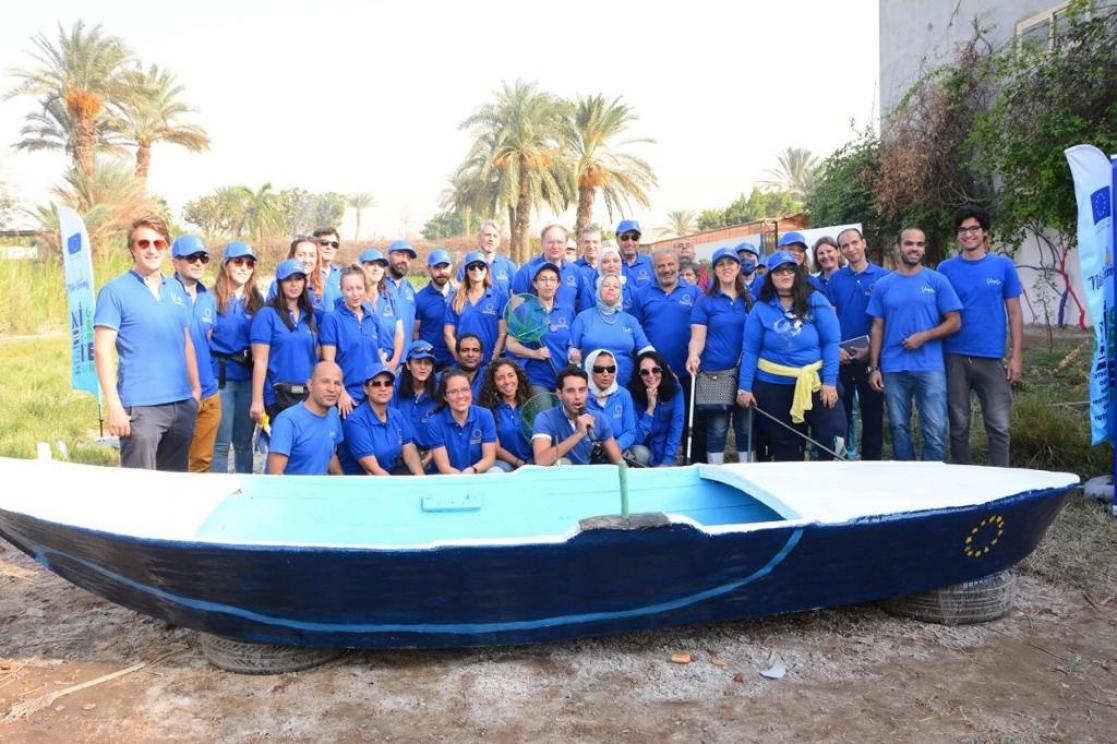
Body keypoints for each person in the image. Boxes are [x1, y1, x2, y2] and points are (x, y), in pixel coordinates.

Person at [93, 215, 200, 471]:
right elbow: (102, 350)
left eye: (158, 243)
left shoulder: (175, 289)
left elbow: (186, 342)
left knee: (174, 489)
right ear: (132, 248)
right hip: (142, 409)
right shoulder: (115, 291)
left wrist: (194, 392)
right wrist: (114, 405)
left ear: (166, 247)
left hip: (181, 403)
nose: (151, 249)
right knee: (139, 492)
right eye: (143, 243)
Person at [736, 251, 846, 461]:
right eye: (778, 271)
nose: (784, 275)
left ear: (797, 273)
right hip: (774, 386)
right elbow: (750, 350)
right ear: (770, 277)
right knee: (785, 445)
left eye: (789, 270)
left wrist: (830, 382)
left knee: (833, 436)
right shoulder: (760, 308)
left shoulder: (815, 300)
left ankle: (827, 483)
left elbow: (831, 341)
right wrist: (744, 388)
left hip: (816, 382)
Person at [867, 227, 963, 462]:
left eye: (920, 244)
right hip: (893, 367)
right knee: (899, 428)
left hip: (930, 366)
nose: (915, 248)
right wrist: (874, 367)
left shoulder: (937, 281)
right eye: (909, 244)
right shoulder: (883, 285)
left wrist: (925, 336)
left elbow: (955, 322)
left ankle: (932, 480)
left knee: (935, 429)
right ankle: (906, 481)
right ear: (898, 247)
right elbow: (877, 327)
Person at [938, 204, 1023, 467]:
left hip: (991, 357)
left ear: (984, 232)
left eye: (973, 228)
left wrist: (1016, 356)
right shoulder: (945, 269)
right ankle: (964, 483)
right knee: (959, 426)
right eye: (962, 230)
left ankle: (1001, 482)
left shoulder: (1003, 267)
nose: (968, 234)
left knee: (998, 426)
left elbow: (1015, 314)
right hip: (954, 356)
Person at [826, 227, 889, 461]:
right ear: (841, 251)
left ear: (864, 243)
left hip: (872, 359)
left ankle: (872, 465)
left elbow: (887, 320)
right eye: (845, 245)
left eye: (854, 243)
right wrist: (835, 349)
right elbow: (829, 318)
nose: (851, 248)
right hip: (841, 358)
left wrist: (872, 351)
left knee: (872, 416)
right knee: (841, 418)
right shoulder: (835, 279)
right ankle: (843, 463)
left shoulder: (883, 277)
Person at [687, 246, 754, 464]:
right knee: (717, 428)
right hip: (716, 373)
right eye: (721, 264)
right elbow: (698, 337)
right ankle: (715, 473)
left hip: (746, 373)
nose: (726, 268)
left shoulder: (750, 299)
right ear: (715, 270)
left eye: (731, 263)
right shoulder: (705, 300)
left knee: (746, 427)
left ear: (738, 267)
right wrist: (693, 355)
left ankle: (749, 472)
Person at [166, 235, 220, 473]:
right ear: (176, 262)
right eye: (192, 258)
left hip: (209, 391)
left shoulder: (208, 298)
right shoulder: (165, 293)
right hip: (177, 393)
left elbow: (207, 339)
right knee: (173, 462)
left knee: (202, 462)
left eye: (203, 258)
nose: (198, 263)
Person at [210, 240, 264, 474]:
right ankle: (218, 492)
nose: (244, 267)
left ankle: (245, 490)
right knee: (220, 444)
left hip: (249, 379)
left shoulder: (257, 301)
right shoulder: (211, 298)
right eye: (238, 262)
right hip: (221, 378)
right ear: (226, 265)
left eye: (249, 263)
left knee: (243, 443)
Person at [250, 258, 319, 424]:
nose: (294, 284)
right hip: (278, 396)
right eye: (288, 279)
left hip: (307, 395)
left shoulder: (310, 316)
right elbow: (260, 360)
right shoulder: (267, 315)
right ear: (279, 283)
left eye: (298, 278)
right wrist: (257, 400)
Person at [569, 273, 654, 387]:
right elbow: (572, 349)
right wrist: (573, 357)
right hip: (590, 388)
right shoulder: (583, 318)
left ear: (620, 293)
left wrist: (659, 366)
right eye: (606, 285)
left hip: (626, 387)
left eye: (616, 286)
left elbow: (645, 349)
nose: (611, 288)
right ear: (598, 290)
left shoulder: (630, 320)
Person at [338, 367, 425, 476]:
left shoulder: (396, 415)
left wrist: (421, 481)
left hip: (389, 474)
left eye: (387, 383)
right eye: (376, 384)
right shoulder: (355, 422)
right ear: (365, 389)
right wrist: (400, 490)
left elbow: (409, 451)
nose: (383, 388)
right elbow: (372, 470)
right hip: (362, 482)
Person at [505, 262, 576, 393]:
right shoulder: (525, 311)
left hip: (563, 380)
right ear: (535, 283)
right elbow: (511, 344)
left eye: (552, 279)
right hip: (537, 380)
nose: (548, 284)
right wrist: (534, 353)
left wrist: (574, 355)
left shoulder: (567, 310)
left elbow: (573, 343)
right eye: (543, 279)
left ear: (558, 284)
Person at [320, 265, 382, 416]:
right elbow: (329, 363)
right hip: (348, 397)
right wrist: (341, 392)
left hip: (373, 395)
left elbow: (378, 356)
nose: (355, 294)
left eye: (359, 288)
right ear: (342, 290)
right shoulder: (332, 319)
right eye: (349, 289)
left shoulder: (373, 319)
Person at [532, 365, 624, 466]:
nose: (577, 396)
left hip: (586, 476)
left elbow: (619, 462)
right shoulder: (545, 418)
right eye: (571, 391)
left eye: (582, 390)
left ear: (588, 392)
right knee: (563, 463)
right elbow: (541, 461)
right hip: (556, 479)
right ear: (559, 394)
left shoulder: (598, 418)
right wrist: (579, 434)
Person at [632, 247, 699, 382]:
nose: (667, 270)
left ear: (678, 266)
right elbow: (636, 332)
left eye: (670, 264)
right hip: (653, 373)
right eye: (661, 266)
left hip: (688, 370)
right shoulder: (640, 294)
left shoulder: (695, 292)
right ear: (653, 269)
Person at [266, 361, 344, 475]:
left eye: (337, 383)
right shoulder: (287, 421)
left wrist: (341, 481)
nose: (332, 389)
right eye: (325, 382)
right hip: (293, 491)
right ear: (310, 385)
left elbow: (329, 453)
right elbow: (275, 473)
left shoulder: (333, 414)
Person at [584, 349, 649, 465]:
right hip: (590, 453)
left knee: (642, 453)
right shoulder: (581, 395)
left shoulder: (624, 395)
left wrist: (615, 447)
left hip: (620, 450)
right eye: (599, 369)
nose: (606, 374)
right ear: (589, 369)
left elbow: (630, 431)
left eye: (610, 369)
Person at [429, 369, 499, 474]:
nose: (460, 396)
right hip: (448, 477)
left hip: (476, 472)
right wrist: (462, 479)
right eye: (453, 392)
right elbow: (443, 466)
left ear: (471, 391)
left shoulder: (485, 415)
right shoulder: (435, 421)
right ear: (445, 396)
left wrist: (473, 470)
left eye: (465, 390)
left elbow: (489, 459)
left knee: (496, 471)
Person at [511, 224, 594, 311]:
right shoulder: (526, 271)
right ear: (542, 243)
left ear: (566, 244)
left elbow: (584, 305)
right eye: (550, 242)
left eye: (559, 242)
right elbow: (516, 308)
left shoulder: (575, 271)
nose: (555, 246)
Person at [444, 251, 507, 365]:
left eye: (481, 266)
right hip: (463, 364)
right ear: (466, 271)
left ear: (487, 270)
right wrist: (459, 358)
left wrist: (494, 357)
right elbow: (448, 333)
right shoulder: (456, 298)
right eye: (472, 267)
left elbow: (502, 333)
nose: (476, 270)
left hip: (489, 362)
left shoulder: (499, 297)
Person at [629, 349, 685, 467]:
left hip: (665, 452)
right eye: (645, 372)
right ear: (639, 375)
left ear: (662, 370)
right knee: (639, 452)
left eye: (655, 370)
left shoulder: (675, 389)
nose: (651, 376)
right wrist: (650, 409)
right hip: (644, 454)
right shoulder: (632, 394)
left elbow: (676, 426)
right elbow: (636, 439)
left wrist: (667, 460)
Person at [478, 358, 535, 471]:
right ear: (493, 383)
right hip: (504, 463)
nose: (507, 381)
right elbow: (496, 449)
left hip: (533, 461)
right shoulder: (488, 410)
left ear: (518, 377)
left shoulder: (532, 405)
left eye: (510, 375)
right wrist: (520, 464)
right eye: (500, 378)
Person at [393, 341, 441, 472]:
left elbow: (446, 431)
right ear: (408, 364)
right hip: (402, 458)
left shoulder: (440, 391)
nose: (423, 367)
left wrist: (427, 459)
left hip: (435, 456)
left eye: (427, 363)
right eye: (418, 362)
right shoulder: (394, 389)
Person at [358, 248, 405, 371]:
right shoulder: (354, 299)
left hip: (389, 366)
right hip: (363, 366)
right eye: (371, 264)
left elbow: (399, 334)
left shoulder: (389, 297)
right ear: (361, 267)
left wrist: (394, 362)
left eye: (380, 265)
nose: (376, 268)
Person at [413, 248, 455, 369]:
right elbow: (415, 332)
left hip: (455, 360)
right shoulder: (420, 298)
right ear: (429, 269)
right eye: (437, 267)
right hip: (431, 363)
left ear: (451, 267)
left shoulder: (460, 295)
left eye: (445, 267)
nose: (441, 271)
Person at [456, 220, 516, 293]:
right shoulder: (467, 267)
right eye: (488, 235)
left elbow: (516, 296)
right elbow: (460, 295)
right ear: (479, 238)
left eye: (495, 236)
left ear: (499, 241)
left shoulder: (509, 266)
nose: (491, 239)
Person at [385, 239, 418, 350]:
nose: (404, 260)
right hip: (384, 360)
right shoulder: (379, 285)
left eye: (408, 257)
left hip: (406, 360)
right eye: (399, 255)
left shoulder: (409, 288)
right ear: (388, 256)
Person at [615, 219, 654, 294]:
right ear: (617, 239)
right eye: (624, 238)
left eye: (634, 238)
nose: (630, 242)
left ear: (639, 240)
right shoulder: (608, 264)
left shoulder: (651, 262)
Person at [596, 243, 636, 311]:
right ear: (599, 265)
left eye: (615, 261)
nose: (611, 265)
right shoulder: (590, 289)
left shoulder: (631, 289)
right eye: (605, 262)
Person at [313, 227, 343, 308]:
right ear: (314, 245)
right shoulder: (307, 274)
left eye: (334, 244)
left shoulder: (344, 275)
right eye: (324, 243)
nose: (329, 247)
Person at [452, 332, 488, 399]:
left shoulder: (491, 379)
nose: (470, 355)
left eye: (475, 350)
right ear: (457, 355)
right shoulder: (441, 380)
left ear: (482, 356)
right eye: (465, 350)